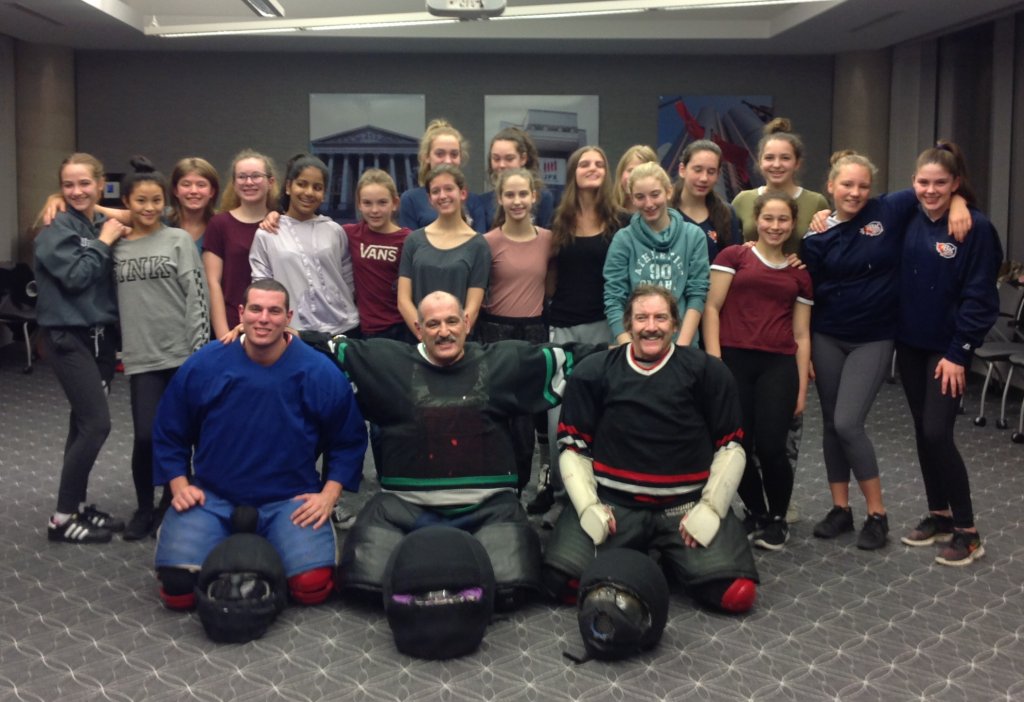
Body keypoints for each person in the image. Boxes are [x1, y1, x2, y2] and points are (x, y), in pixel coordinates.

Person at [326, 290, 594, 610]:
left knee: (513, 587)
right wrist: (287, 336)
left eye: (452, 321)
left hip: (489, 507)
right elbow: (327, 351)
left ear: (467, 323)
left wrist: (625, 352)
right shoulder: (387, 362)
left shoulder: (504, 362)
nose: (444, 331)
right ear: (418, 328)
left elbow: (577, 358)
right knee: (363, 583)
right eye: (433, 324)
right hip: (405, 506)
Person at [152, 279, 367, 611]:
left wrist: (328, 496)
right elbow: (169, 429)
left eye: (274, 311)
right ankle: (229, 541)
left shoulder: (318, 372)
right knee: (177, 590)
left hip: (289, 498)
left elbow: (348, 440)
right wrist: (179, 486)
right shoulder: (205, 364)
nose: (264, 318)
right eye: (255, 309)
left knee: (313, 587)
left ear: (288, 317)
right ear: (241, 313)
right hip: (213, 495)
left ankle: (272, 545)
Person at [543, 285, 758, 614]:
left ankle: (665, 556)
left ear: (675, 323)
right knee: (561, 582)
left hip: (684, 507)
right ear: (628, 324)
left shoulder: (707, 372)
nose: (651, 327)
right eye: (642, 318)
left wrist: (711, 507)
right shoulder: (595, 371)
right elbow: (574, 447)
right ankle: (648, 554)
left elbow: (731, 446)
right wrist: (588, 506)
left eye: (661, 318)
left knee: (735, 594)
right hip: (614, 506)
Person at [802, 150, 970, 550]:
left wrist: (961, 203)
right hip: (826, 335)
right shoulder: (816, 234)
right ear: (830, 186)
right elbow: (807, 291)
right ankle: (840, 509)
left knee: (848, 423)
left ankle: (877, 514)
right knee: (831, 424)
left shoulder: (888, 210)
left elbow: (934, 189)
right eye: (847, 184)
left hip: (873, 336)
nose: (855, 192)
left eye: (863, 185)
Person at [896, 141, 1001, 566]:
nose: (931, 190)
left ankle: (968, 531)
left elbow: (981, 299)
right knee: (923, 431)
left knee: (938, 432)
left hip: (948, 351)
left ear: (956, 183)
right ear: (913, 182)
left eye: (941, 183)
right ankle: (939, 515)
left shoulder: (976, 228)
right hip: (910, 343)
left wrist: (959, 353)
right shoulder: (909, 216)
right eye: (923, 182)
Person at [702, 193, 812, 550]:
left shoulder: (799, 274)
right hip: (733, 361)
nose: (775, 226)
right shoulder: (733, 256)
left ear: (792, 224)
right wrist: (715, 363)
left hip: (778, 365)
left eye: (783, 220)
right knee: (735, 445)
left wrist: (801, 390)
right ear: (756, 220)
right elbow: (712, 308)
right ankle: (755, 511)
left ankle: (778, 518)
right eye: (768, 218)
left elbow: (801, 334)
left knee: (771, 446)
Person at [111, 158, 210, 540]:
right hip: (141, 357)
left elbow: (197, 297)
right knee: (145, 436)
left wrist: (197, 353)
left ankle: (171, 501)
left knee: (179, 434)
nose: (149, 208)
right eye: (140, 201)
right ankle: (143, 506)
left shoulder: (178, 240)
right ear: (126, 202)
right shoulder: (116, 245)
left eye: (156, 200)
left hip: (182, 354)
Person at [35, 153, 129, 543]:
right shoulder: (55, 228)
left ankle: (76, 505)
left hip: (99, 338)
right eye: (68, 185)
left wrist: (98, 212)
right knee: (96, 425)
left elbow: (147, 215)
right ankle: (61, 519)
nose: (76, 191)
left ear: (101, 183)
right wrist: (105, 240)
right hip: (67, 338)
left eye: (84, 183)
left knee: (81, 425)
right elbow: (75, 278)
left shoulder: (92, 220)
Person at [535, 145, 621, 514]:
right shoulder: (559, 220)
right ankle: (561, 497)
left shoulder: (620, 221)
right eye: (585, 163)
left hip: (607, 328)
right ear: (573, 172)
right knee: (560, 418)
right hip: (564, 329)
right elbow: (548, 275)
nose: (593, 168)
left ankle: (601, 495)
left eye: (600, 163)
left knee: (603, 415)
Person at [479, 168, 553, 491]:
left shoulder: (548, 240)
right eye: (510, 194)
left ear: (534, 196)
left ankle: (521, 486)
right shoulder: (487, 242)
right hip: (496, 332)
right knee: (497, 416)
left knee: (527, 421)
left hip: (534, 332)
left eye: (523, 193)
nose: (517, 201)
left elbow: (551, 286)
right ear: (500, 198)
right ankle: (495, 487)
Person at [249, 154, 359, 336]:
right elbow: (261, 285)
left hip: (344, 328)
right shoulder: (268, 233)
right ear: (288, 187)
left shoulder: (334, 230)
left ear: (324, 194)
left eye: (317, 187)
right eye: (302, 184)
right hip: (293, 331)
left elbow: (348, 279)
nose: (309, 192)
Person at [603, 162, 709, 348]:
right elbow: (614, 297)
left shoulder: (693, 236)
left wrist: (681, 348)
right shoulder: (623, 239)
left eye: (655, 194)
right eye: (640, 197)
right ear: (632, 199)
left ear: (668, 192)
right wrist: (629, 347)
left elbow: (697, 294)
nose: (649, 204)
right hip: (635, 344)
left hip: (682, 343)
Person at [396, 164, 490, 333]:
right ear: (429, 199)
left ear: (463, 193)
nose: (442, 196)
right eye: (436, 191)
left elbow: (473, 307)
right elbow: (403, 301)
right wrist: (425, 335)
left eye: (449, 189)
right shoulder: (413, 241)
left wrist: (451, 337)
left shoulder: (478, 245)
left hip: (458, 341)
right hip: (419, 339)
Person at [204, 149, 278, 340]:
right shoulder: (219, 224)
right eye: (242, 177)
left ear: (270, 182)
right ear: (234, 183)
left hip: (274, 325)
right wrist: (223, 335)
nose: (249, 182)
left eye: (256, 176)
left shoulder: (281, 223)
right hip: (231, 325)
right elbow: (213, 283)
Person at [731, 118, 829, 253]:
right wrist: (742, 251)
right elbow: (728, 246)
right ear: (760, 162)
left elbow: (826, 249)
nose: (776, 165)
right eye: (769, 158)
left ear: (797, 163)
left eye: (785, 158)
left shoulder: (816, 202)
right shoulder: (742, 200)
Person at [345, 168, 415, 342]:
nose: (374, 210)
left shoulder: (408, 240)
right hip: (364, 330)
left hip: (400, 328)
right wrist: (278, 216)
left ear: (395, 203)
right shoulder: (349, 234)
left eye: (382, 202)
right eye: (367, 203)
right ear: (359, 204)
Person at [399, 119, 484, 232]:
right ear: (426, 157)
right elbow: (410, 242)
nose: (448, 160)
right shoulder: (411, 199)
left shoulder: (474, 201)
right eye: (440, 154)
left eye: (454, 154)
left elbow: (480, 241)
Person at [671, 139, 741, 263]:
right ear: (682, 170)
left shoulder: (726, 214)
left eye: (711, 172)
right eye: (698, 170)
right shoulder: (664, 210)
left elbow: (732, 263)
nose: (704, 178)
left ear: (718, 175)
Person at [480, 126, 555, 229]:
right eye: (496, 159)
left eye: (509, 159)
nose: (501, 165)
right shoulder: (483, 201)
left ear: (523, 158)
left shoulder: (543, 197)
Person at [167, 157, 220, 252]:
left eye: (201, 185)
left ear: (212, 191)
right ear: (175, 190)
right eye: (186, 185)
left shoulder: (221, 226)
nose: (194, 191)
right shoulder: (160, 222)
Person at [611, 144, 658, 215]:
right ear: (620, 173)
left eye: (642, 172)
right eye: (630, 170)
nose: (634, 177)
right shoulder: (607, 211)